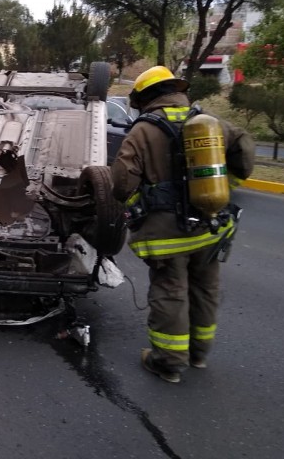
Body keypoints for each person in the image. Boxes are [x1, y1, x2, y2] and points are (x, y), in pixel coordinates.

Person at [111, 66, 255, 384]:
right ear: (176, 90)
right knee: (205, 289)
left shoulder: (142, 132)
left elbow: (121, 183)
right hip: (208, 226)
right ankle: (199, 355)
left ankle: (168, 362)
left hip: (166, 235)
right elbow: (244, 153)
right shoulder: (207, 122)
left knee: (170, 291)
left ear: (144, 97)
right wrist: (225, 186)